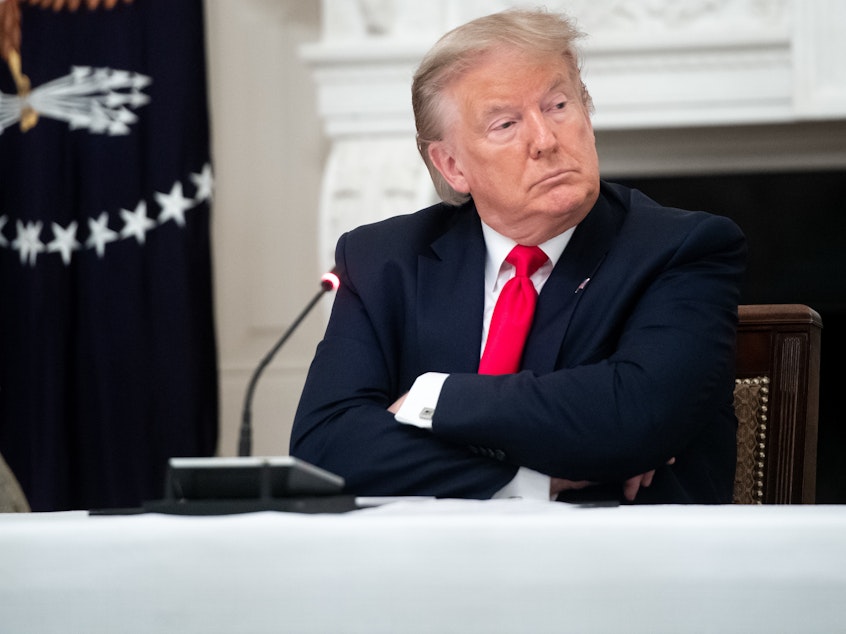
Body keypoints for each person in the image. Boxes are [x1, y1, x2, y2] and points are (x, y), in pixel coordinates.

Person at [291, 8, 747, 504]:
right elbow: (326, 447)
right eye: (506, 124)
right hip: (430, 569)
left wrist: (433, 398)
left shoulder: (681, 249)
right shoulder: (383, 260)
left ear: (587, 111)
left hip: (626, 568)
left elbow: (634, 416)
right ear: (451, 165)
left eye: (558, 105)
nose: (546, 141)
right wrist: (532, 479)